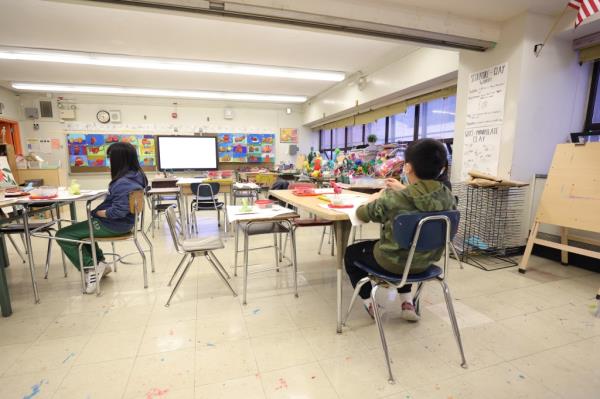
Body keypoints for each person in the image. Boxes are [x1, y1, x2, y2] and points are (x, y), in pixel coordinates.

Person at [345, 139, 456, 321]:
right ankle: (407, 303)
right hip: (427, 262)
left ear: (408, 167)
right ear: (443, 168)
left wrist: (375, 198)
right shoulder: (448, 197)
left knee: (351, 253)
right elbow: (421, 200)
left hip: (393, 263)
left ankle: (371, 304)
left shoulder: (395, 198)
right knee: (410, 246)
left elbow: (362, 214)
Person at [56, 142, 148, 293]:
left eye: (110, 158)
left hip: (113, 224)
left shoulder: (123, 183)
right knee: (81, 233)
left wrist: (100, 213)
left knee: (63, 235)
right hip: (123, 223)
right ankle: (100, 264)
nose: (109, 161)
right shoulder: (137, 176)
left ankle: (91, 268)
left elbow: (118, 211)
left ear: (119, 160)